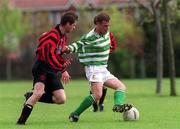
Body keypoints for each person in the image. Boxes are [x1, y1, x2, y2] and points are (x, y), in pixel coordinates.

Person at [62, 12, 132, 122]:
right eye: (104, 26)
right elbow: (78, 45)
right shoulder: (89, 37)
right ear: (97, 24)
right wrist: (67, 49)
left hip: (103, 68)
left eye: (108, 25)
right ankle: (75, 114)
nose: (107, 28)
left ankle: (118, 105)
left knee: (121, 87)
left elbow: (111, 44)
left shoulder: (107, 33)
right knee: (97, 95)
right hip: (93, 68)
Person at [16, 12, 78, 125]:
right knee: (38, 93)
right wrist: (61, 67)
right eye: (73, 25)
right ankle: (21, 122)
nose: (74, 27)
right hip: (42, 68)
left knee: (61, 99)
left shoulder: (63, 37)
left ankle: (30, 95)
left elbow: (57, 54)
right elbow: (48, 56)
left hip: (52, 70)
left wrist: (63, 67)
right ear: (67, 24)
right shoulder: (52, 35)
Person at [91, 33, 117, 112]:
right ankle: (95, 105)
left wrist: (106, 51)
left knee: (103, 85)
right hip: (92, 64)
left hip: (103, 63)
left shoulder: (109, 34)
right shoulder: (91, 36)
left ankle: (101, 104)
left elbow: (114, 46)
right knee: (94, 88)